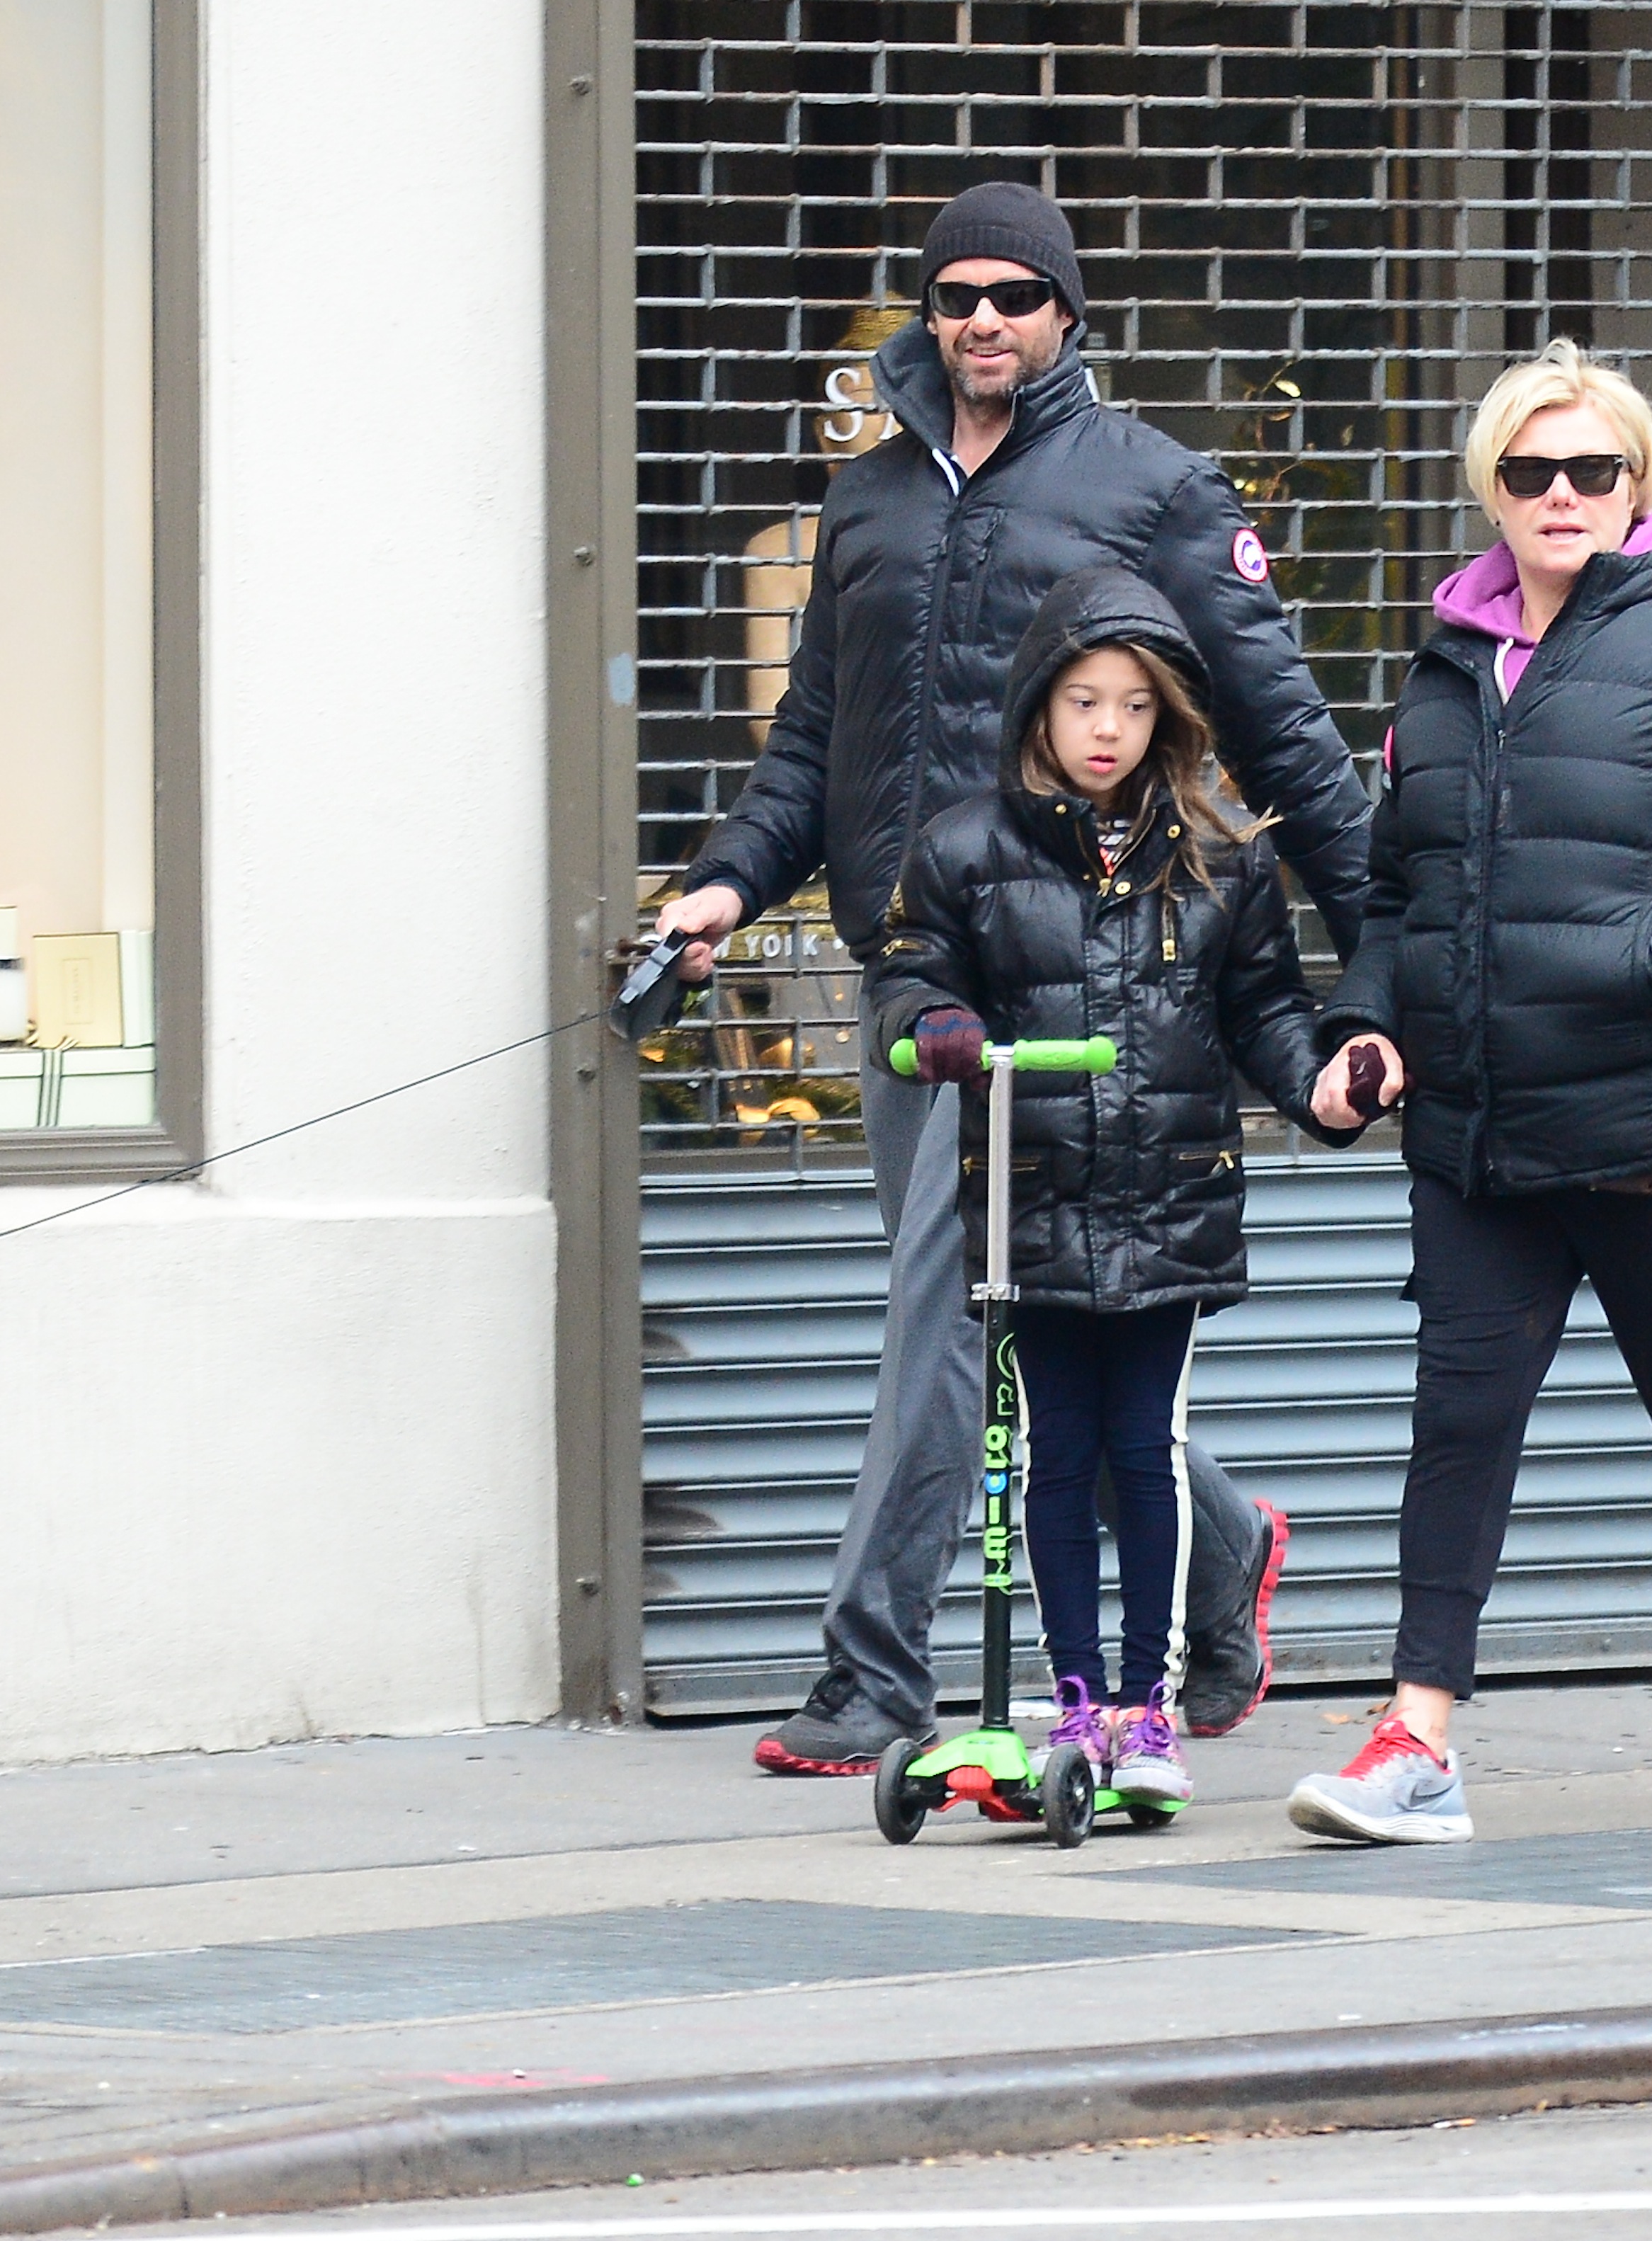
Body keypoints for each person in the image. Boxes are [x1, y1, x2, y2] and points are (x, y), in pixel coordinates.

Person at [655, 179, 1377, 1774]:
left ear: (1064, 314)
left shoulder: (1154, 487)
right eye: (956, 291)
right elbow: (807, 751)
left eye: (1015, 292)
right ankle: (1226, 1537)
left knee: (951, 1323)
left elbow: (1283, 733)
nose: (982, 316)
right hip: (921, 988)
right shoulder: (866, 505)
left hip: (1098, 985)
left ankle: (873, 1679)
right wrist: (722, 882)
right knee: (1004, 1320)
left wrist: (1380, 959)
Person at [1285, 341, 1652, 1846]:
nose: (1561, 495)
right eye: (1531, 470)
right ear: (1492, 486)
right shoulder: (1445, 667)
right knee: (1458, 1419)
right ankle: (1417, 1739)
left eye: (1591, 469)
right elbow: (1399, 890)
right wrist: (1364, 1025)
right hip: (1479, 1126)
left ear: (1637, 484)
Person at [862, 569, 1357, 1803]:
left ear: (1164, 722)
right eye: (1082, 700)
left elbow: (1263, 1012)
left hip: (1168, 1196)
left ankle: (1149, 1703)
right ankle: (1072, 1694)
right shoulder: (965, 850)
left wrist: (1322, 1088)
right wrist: (933, 1021)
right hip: (1028, 1196)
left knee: (1146, 1446)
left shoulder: (1222, 859)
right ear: (1038, 705)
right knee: (1052, 1448)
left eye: (1133, 707)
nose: (1104, 729)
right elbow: (909, 970)